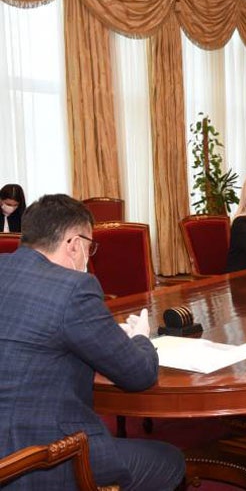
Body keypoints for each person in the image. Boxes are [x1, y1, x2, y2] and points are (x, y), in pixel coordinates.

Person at [0, 194, 185, 490]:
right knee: (170, 460)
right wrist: (141, 336)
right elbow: (139, 374)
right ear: (74, 244)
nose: (89, 255)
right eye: (90, 246)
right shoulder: (73, 287)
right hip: (40, 459)